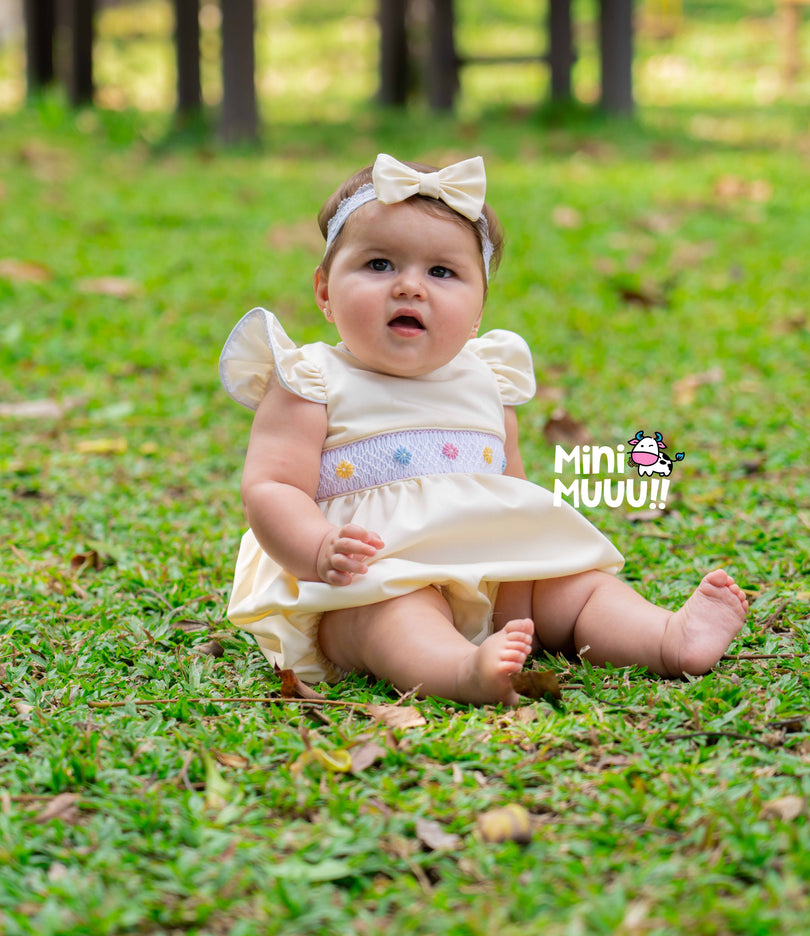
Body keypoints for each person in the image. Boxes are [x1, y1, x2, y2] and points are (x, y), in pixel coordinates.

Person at [219, 153, 748, 705]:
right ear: (325, 291)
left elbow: (511, 490)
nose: (409, 287)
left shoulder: (489, 379)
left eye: (441, 272)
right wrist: (319, 547)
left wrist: (529, 570)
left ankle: (667, 637)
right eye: (379, 265)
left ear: (477, 312)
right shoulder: (310, 380)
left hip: (494, 573)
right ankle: (461, 670)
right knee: (395, 618)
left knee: (576, 589)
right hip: (368, 576)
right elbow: (271, 488)